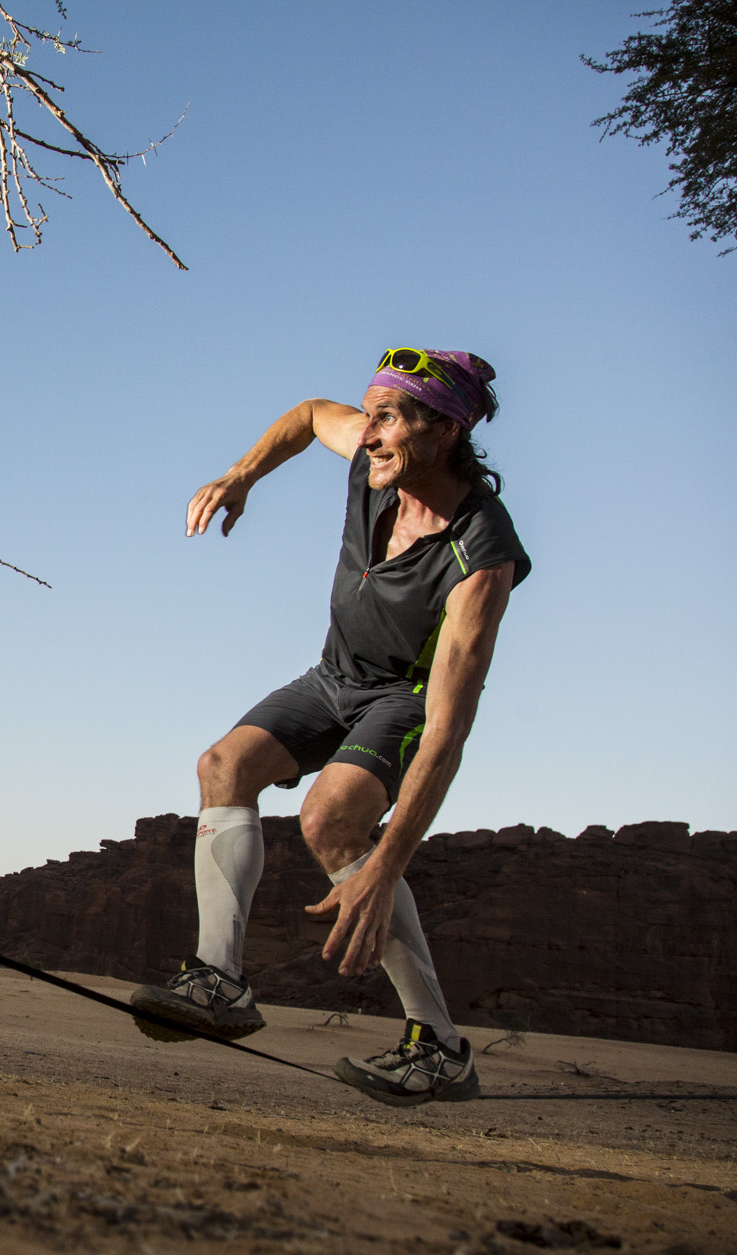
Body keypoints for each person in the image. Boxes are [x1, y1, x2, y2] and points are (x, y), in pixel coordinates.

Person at [129, 348, 530, 1107]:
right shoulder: (380, 461)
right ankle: (221, 980)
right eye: (370, 414)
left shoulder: (480, 554)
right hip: (331, 677)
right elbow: (313, 414)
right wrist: (241, 475)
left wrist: (384, 866)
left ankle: (439, 1047)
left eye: (388, 417)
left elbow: (446, 729)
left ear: (443, 430)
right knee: (222, 766)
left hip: (402, 699)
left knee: (332, 821)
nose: (369, 432)